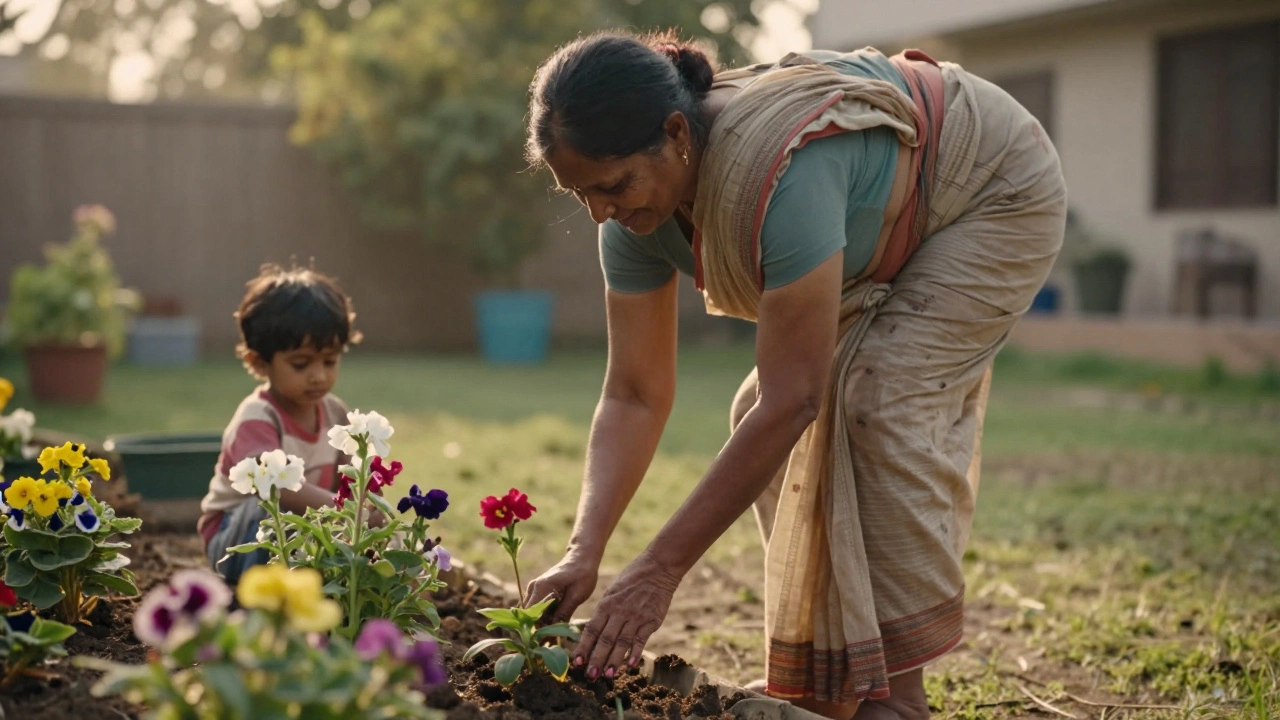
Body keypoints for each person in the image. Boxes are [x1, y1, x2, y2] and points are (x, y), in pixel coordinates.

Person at [523, 30, 1066, 720]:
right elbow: (633, 393)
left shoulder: (782, 172)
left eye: (612, 186)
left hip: (989, 185)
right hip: (887, 214)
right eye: (580, 195)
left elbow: (795, 400)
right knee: (756, 403)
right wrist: (584, 550)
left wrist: (657, 573)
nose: (601, 213)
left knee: (872, 394)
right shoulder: (630, 223)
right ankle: (825, 686)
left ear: (676, 132)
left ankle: (899, 699)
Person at [197, 264, 377, 585]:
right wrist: (346, 512)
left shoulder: (335, 414)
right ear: (259, 362)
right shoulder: (258, 416)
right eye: (300, 363)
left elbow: (357, 479)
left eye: (330, 361)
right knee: (270, 508)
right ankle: (255, 605)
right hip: (235, 543)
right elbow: (274, 486)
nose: (319, 375)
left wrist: (369, 508)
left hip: (303, 537)